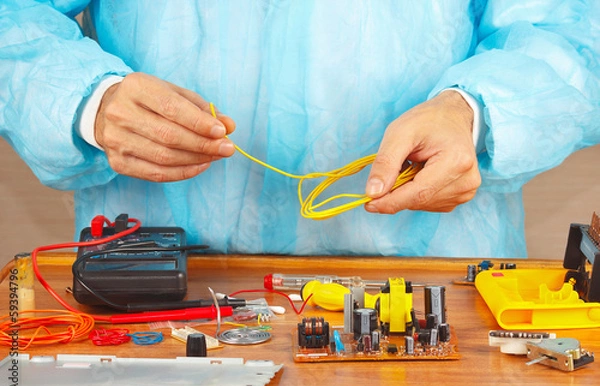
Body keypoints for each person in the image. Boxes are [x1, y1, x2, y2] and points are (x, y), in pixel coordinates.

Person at [0, 1, 599, 257]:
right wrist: (87, 102)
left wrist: (475, 113)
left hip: (427, 268)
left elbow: (571, 31)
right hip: (155, 277)